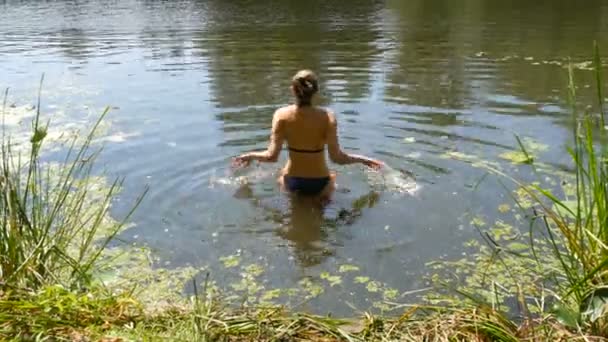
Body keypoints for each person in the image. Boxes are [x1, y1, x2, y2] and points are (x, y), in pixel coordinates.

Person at [232, 69, 383, 200]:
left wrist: (249, 155)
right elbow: (337, 158)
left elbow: (271, 157)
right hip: (321, 182)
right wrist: (365, 160)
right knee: (328, 192)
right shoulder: (328, 117)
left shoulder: (281, 115)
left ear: (293, 89)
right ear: (315, 91)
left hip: (291, 181)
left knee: (283, 178)